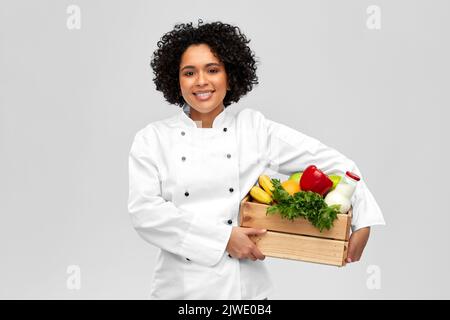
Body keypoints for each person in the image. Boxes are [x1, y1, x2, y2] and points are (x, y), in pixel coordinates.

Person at [127, 19, 385, 300]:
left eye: (213, 70)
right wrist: (224, 239)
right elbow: (145, 212)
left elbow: (335, 163)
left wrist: (364, 217)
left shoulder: (253, 129)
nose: (201, 81)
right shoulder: (152, 139)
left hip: (245, 291)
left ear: (230, 75)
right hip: (178, 290)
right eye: (189, 72)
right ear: (175, 79)